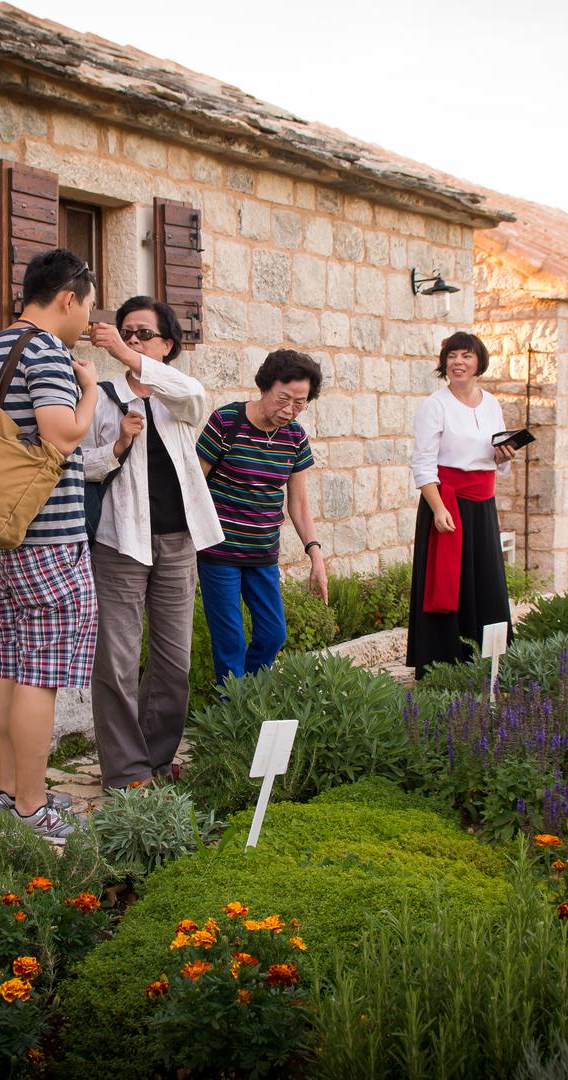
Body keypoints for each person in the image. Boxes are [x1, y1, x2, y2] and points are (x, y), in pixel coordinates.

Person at [0, 247, 100, 843]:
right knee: (38, 673)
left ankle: (8, 791)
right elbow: (61, 434)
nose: (86, 321)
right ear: (68, 297)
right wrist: (90, 392)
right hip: (47, 536)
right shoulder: (48, 351)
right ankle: (31, 806)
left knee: (9, 661)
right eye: (88, 307)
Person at [81, 297, 224, 790]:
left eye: (144, 333)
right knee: (117, 661)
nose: (134, 340)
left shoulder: (178, 397)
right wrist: (117, 444)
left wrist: (124, 351)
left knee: (173, 660)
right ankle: (126, 772)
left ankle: (158, 758)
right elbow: (79, 466)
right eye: (126, 332)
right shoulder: (99, 396)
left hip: (179, 541)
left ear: (167, 344)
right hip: (120, 543)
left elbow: (196, 393)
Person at [195, 349, 328, 684]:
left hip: (263, 555)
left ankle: (249, 696)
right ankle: (233, 715)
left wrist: (316, 554)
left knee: (272, 635)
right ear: (265, 386)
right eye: (284, 398)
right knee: (231, 644)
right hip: (219, 553)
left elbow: (297, 504)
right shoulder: (226, 422)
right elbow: (194, 485)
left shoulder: (295, 437)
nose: (289, 410)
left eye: (300, 402)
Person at [406, 331, 517, 679]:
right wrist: (438, 508)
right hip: (446, 503)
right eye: (452, 356)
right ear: (444, 363)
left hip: (483, 504)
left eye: (466, 356)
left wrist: (504, 455)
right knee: (446, 584)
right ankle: (441, 666)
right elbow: (423, 464)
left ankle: (490, 662)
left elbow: (497, 461)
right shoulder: (435, 405)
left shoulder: (491, 403)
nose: (458, 362)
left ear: (478, 362)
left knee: (487, 581)